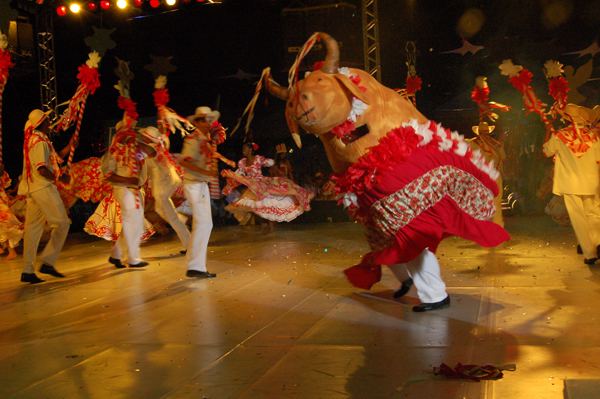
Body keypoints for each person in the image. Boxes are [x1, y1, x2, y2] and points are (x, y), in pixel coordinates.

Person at [18, 109, 74, 284]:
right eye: (47, 119)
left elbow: (56, 159)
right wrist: (60, 178)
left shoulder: (38, 140)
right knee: (63, 223)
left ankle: (28, 271)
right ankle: (48, 262)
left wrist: (72, 144)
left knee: (33, 230)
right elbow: (42, 169)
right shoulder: (39, 142)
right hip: (42, 187)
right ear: (41, 122)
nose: (50, 122)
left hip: (34, 189)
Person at [542, 104, 600, 265]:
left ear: (567, 118)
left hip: (570, 183)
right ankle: (598, 242)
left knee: (579, 218)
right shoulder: (594, 136)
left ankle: (590, 253)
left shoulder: (560, 136)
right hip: (591, 181)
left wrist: (548, 131)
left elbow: (546, 152)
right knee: (594, 214)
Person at [222, 142, 313, 225]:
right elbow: (240, 173)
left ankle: (268, 224)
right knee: (250, 205)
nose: (243, 150)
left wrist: (266, 162)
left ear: (250, 149)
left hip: (260, 183)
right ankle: (256, 224)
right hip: (251, 184)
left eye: (245, 148)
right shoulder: (242, 162)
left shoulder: (258, 159)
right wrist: (232, 177)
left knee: (269, 202)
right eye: (243, 148)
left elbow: (270, 163)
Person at [178, 106, 219, 279]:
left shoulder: (204, 139)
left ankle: (195, 265)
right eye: (203, 120)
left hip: (200, 184)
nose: (208, 123)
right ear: (197, 122)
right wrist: (206, 173)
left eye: (209, 120)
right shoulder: (193, 139)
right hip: (195, 184)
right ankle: (195, 266)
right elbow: (184, 161)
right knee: (203, 224)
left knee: (203, 224)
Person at [138, 126, 190, 253]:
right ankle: (182, 223)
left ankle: (188, 242)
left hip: (164, 187)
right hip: (164, 186)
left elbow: (143, 176)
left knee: (171, 216)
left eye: (144, 136)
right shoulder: (157, 149)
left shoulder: (153, 150)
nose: (142, 138)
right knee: (162, 211)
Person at [469, 121, 507, 226]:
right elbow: (503, 157)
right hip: (495, 176)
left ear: (478, 132)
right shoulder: (497, 144)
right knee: (496, 204)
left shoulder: (473, 144)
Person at [0, 169, 23, 260]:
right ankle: (10, 251)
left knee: (6, 228)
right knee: (4, 229)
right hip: (3, 207)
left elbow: (6, 202)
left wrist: (16, 198)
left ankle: (11, 251)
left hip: (2, 208)